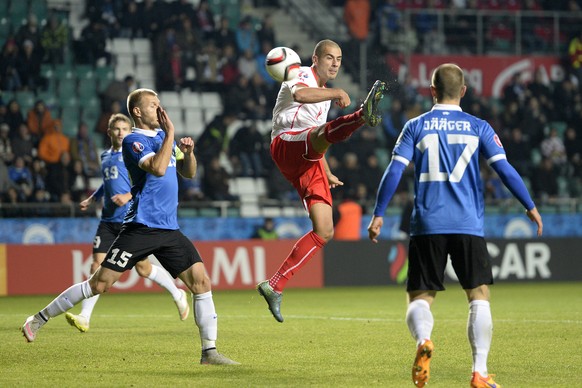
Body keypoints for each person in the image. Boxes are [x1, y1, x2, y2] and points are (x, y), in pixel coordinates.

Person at [21, 88, 239, 365]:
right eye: (153, 106)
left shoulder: (163, 138)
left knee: (201, 282)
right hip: (141, 226)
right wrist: (171, 134)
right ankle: (37, 319)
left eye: (160, 105)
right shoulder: (133, 141)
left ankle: (209, 352)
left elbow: (189, 172)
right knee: (99, 283)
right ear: (137, 111)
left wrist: (188, 153)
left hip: (169, 228)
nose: (160, 110)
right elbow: (158, 169)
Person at [366, 64, 543, 388]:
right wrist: (529, 205)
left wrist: (378, 213)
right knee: (478, 295)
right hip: (467, 224)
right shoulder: (479, 127)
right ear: (463, 91)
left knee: (420, 296)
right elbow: (505, 170)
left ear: (431, 91)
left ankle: (423, 341)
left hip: (427, 224)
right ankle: (479, 372)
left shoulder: (415, 126)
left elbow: (394, 171)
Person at [256, 39, 386, 322]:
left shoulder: (324, 95)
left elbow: (316, 136)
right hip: (285, 144)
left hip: (308, 159)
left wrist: (325, 170)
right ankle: (362, 115)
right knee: (323, 133)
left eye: (339, 58)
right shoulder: (300, 74)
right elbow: (301, 98)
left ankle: (275, 285)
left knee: (325, 230)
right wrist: (337, 93)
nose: (335, 63)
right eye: (329, 57)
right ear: (315, 59)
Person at [64, 113, 190, 332]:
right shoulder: (105, 156)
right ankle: (85, 316)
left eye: (125, 129)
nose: (121, 133)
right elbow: (108, 183)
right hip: (107, 220)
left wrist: (127, 197)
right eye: (117, 129)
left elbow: (144, 183)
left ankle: (177, 293)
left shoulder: (133, 152)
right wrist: (93, 197)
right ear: (109, 132)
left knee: (143, 269)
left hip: (130, 220)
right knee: (97, 265)